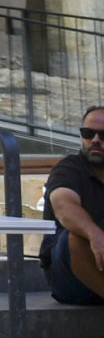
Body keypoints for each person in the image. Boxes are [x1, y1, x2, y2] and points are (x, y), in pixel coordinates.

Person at [44, 106, 104, 305]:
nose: (95, 140)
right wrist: (96, 236)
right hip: (72, 277)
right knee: (75, 237)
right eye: (88, 133)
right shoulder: (68, 169)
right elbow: (64, 206)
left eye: (103, 135)